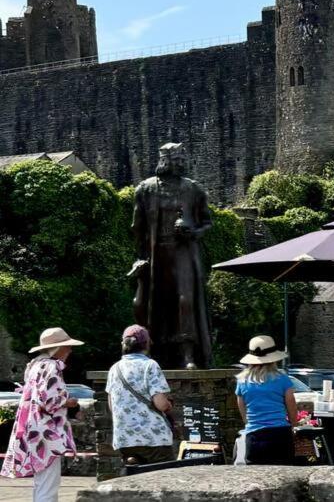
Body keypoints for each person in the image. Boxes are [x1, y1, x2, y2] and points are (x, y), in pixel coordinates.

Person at [131, 142, 215, 370]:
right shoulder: (146, 189)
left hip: (183, 252)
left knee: (185, 300)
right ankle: (154, 351)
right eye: (176, 159)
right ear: (165, 161)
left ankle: (187, 353)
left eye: (182, 159)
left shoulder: (193, 189)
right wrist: (140, 257)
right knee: (156, 303)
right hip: (156, 255)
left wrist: (193, 231)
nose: (181, 163)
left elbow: (207, 223)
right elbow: (138, 228)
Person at [1, 327, 83, 502]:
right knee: (49, 484)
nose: (70, 350)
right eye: (67, 346)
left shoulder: (35, 366)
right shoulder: (51, 367)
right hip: (46, 433)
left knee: (42, 482)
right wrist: (69, 402)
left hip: (33, 430)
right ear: (58, 348)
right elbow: (49, 401)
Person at [107, 325, 175, 466]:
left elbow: (112, 406)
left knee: (134, 481)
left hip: (125, 440)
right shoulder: (150, 365)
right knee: (163, 481)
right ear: (146, 344)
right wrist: (169, 405)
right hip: (153, 439)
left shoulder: (115, 368)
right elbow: (161, 404)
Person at [235, 335, 297, 465]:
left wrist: (251, 424)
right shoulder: (283, 379)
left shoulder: (242, 381)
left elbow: (243, 412)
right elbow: (292, 408)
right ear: (274, 359)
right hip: (280, 435)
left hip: (254, 437)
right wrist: (294, 426)